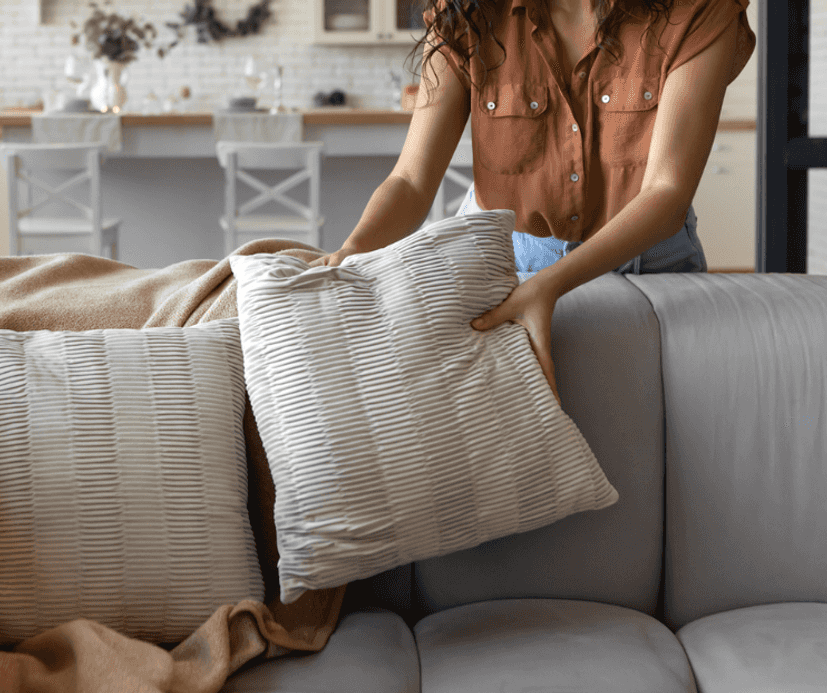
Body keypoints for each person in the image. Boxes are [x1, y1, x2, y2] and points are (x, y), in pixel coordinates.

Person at [313, 0, 755, 400]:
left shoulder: (698, 10)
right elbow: (410, 181)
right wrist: (354, 251)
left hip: (650, 270)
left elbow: (667, 191)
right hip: (511, 266)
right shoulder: (468, 14)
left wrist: (548, 285)